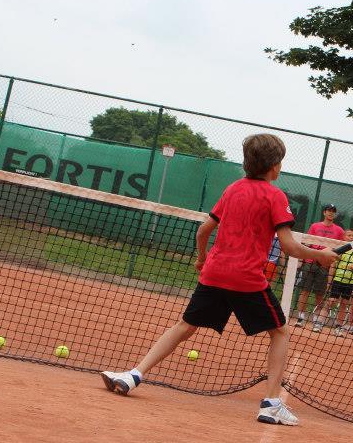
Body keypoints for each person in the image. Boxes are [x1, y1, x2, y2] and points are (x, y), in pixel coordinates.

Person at [99, 133, 338, 426]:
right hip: (247, 278)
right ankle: (272, 404)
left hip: (214, 273)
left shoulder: (233, 189)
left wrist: (201, 259)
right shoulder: (276, 196)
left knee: (185, 326)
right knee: (280, 332)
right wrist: (320, 256)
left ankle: (134, 374)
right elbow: (288, 246)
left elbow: (203, 231)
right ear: (274, 166)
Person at [291, 203, 345, 328]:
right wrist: (301, 260)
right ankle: (300, 317)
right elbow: (308, 244)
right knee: (304, 291)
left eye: (333, 211)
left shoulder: (339, 231)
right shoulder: (315, 226)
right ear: (324, 212)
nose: (331, 213)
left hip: (325, 265)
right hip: (311, 262)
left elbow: (340, 249)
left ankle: (316, 319)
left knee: (320, 293)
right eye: (328, 210)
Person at [318, 229, 353, 336]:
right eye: (349, 235)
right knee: (331, 301)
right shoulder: (340, 249)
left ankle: (339, 327)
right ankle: (319, 323)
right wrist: (330, 281)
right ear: (344, 237)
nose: (351, 237)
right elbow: (332, 266)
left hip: (350, 282)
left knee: (344, 303)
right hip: (338, 280)